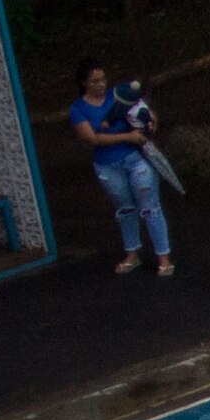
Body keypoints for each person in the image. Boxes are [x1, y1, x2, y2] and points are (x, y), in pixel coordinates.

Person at [67, 64, 169, 279]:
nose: (102, 84)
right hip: (107, 164)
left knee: (150, 206)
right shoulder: (78, 109)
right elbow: (91, 138)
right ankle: (132, 254)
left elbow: (146, 113)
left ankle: (164, 257)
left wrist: (150, 123)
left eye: (103, 79)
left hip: (135, 159)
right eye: (95, 81)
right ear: (84, 83)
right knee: (126, 209)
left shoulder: (118, 96)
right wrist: (127, 137)